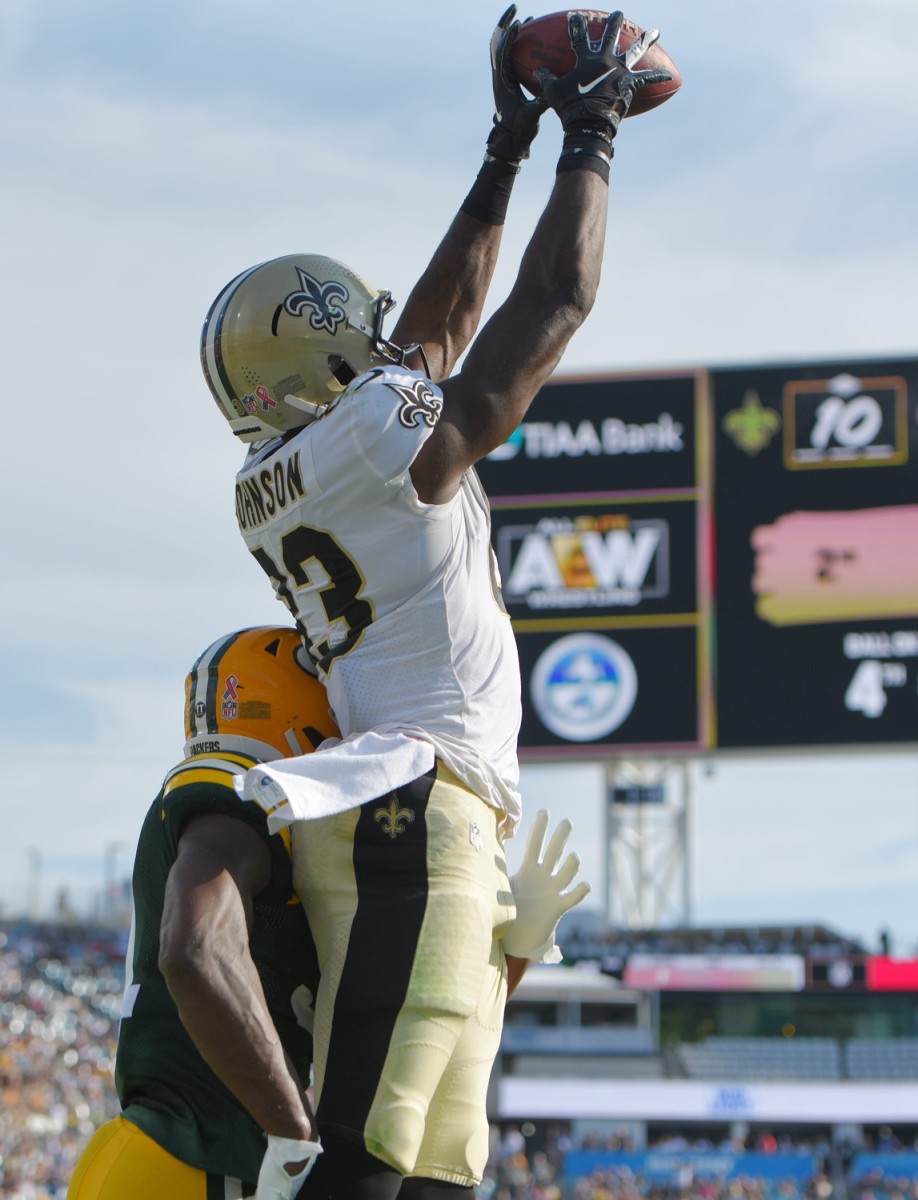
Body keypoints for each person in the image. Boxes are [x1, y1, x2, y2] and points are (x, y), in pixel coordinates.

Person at [201, 10, 662, 1197]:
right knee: (374, 1149)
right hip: (419, 811)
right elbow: (543, 313)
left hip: (411, 809)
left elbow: (427, 339)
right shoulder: (368, 441)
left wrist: (505, 149)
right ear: (324, 368)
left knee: (444, 1166)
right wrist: (591, 134)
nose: (389, 346)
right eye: (360, 339)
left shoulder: (280, 470)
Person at [67, 626, 340, 1200]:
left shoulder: (205, 814)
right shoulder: (239, 800)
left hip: (156, 1157)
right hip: (196, 1163)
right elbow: (196, 950)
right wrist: (293, 1134)